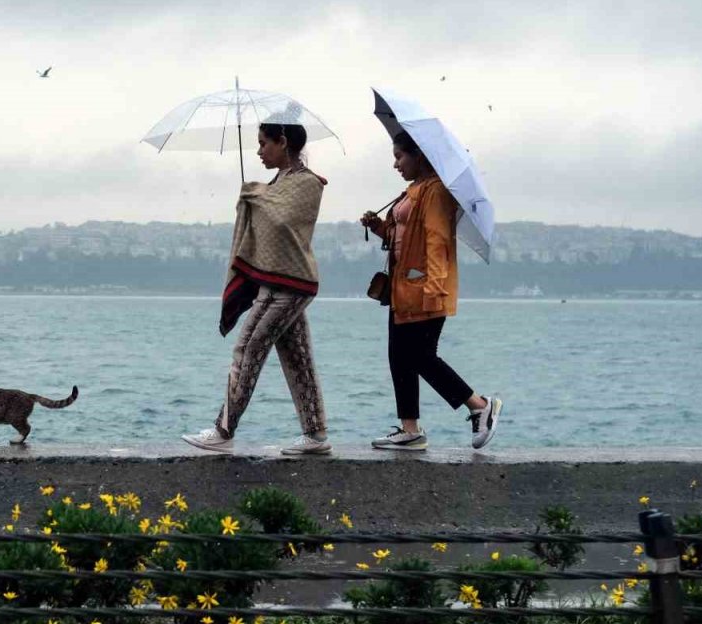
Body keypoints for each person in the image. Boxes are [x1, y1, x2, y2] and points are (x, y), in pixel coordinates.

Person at [182, 117, 329, 456]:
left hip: (286, 285)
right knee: (298, 358)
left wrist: (256, 194)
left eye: (263, 143)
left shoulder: (306, 184)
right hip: (280, 283)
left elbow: (282, 220)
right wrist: (259, 194)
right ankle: (316, 434)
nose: (259, 150)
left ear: (282, 141)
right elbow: (269, 214)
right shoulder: (277, 182)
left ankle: (223, 429)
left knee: (247, 350)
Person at [361, 131, 502, 451]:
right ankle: (409, 429)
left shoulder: (436, 191)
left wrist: (434, 287)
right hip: (403, 286)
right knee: (399, 357)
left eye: (400, 156)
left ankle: (480, 406)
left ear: (420, 156)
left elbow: (437, 241)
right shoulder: (414, 190)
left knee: (421, 357)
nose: (395, 163)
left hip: (424, 286)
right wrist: (378, 227)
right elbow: (404, 237)